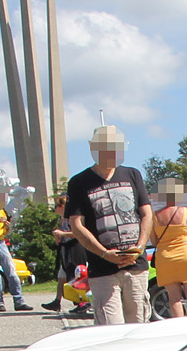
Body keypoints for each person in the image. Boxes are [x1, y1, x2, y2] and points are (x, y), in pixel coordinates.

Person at [65, 125, 153, 324]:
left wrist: (139, 248)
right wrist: (105, 253)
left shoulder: (132, 174)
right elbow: (76, 224)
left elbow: (146, 213)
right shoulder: (79, 182)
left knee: (139, 326)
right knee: (110, 328)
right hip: (102, 268)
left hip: (136, 265)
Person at [150, 177, 187, 317]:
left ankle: (180, 327)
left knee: (174, 299)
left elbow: (154, 242)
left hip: (166, 259)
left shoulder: (154, 217)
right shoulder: (186, 212)